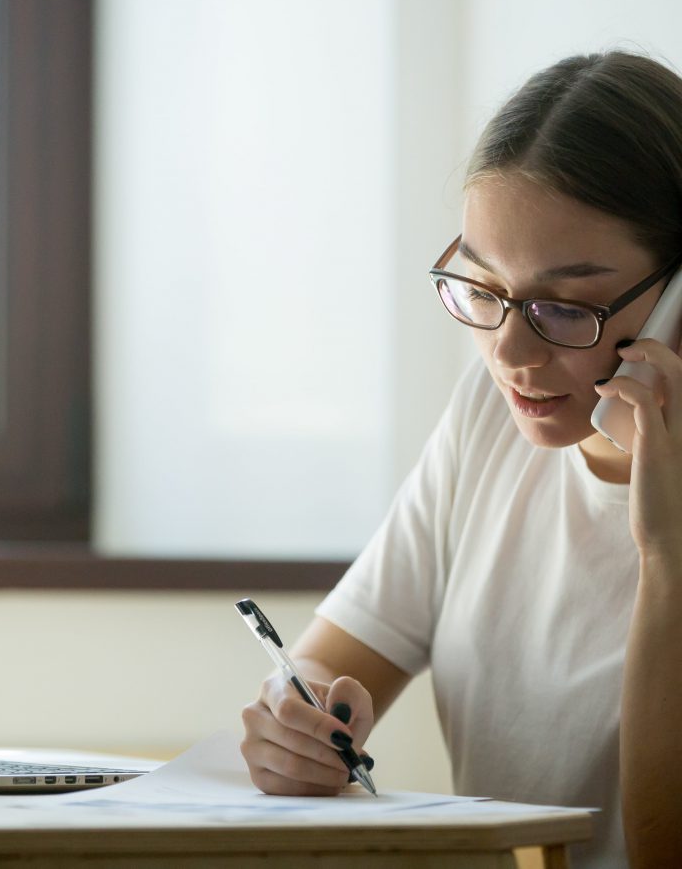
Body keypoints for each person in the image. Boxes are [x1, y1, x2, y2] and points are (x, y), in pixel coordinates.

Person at [240, 49, 682, 869]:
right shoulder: (491, 419)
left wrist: (668, 554)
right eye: (484, 288)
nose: (509, 350)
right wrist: (290, 724)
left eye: (564, 305)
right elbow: (321, 671)